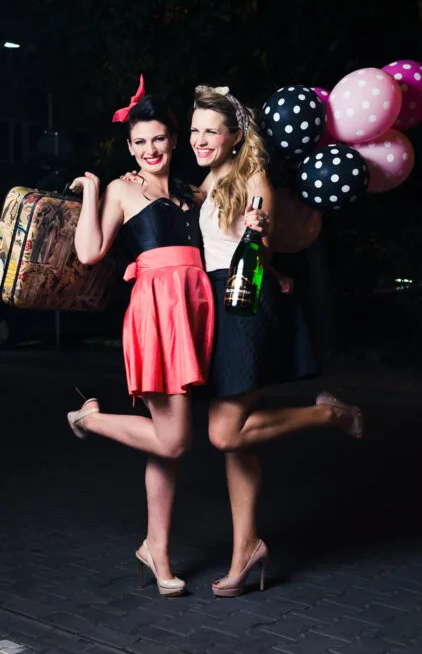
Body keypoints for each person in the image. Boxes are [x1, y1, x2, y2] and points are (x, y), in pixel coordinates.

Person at [66, 80, 241, 598]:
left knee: (166, 447)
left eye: (160, 139)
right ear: (130, 147)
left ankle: (156, 551)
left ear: (173, 139)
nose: (151, 150)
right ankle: (89, 417)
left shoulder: (190, 192)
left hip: (192, 313)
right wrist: (96, 188)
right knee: (174, 439)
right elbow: (89, 251)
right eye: (140, 143)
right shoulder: (124, 188)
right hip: (156, 315)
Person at [189, 85, 363, 597]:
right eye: (195, 131)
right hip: (218, 305)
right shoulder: (210, 179)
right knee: (235, 442)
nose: (200, 139)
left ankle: (331, 414)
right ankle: (248, 551)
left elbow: (257, 250)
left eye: (210, 131)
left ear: (234, 136)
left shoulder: (252, 177)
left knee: (225, 434)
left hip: (245, 302)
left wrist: (258, 236)